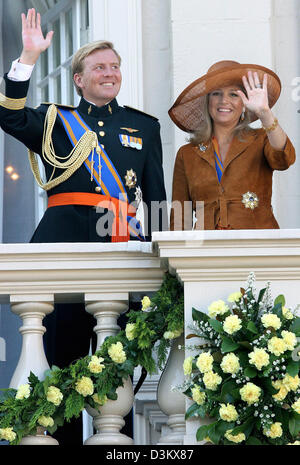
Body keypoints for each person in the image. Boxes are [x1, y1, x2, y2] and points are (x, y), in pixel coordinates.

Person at [0, 8, 166, 444]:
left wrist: (159, 265)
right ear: (79, 78)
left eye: (115, 67)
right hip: (62, 249)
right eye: (99, 67)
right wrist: (28, 58)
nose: (110, 73)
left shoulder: (144, 127)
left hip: (120, 246)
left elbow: (157, 200)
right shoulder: (55, 121)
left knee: (116, 365)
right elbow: (10, 115)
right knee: (61, 362)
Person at [169, 60, 295, 230]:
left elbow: (284, 158)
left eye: (234, 94)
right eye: (216, 93)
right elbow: (179, 217)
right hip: (205, 249)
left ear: (244, 103)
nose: (224, 101)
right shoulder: (187, 153)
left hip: (257, 246)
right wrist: (179, 253)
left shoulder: (261, 139)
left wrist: (265, 113)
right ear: (207, 101)